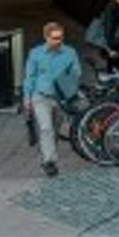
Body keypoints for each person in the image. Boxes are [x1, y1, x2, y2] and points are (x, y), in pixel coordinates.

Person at [22, 21, 81, 177]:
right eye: (54, 38)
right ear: (46, 37)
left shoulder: (70, 53)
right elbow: (29, 77)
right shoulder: (35, 53)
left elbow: (76, 73)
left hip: (61, 98)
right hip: (40, 96)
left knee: (55, 130)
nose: (58, 41)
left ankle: (50, 155)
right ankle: (49, 161)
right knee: (45, 128)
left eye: (61, 38)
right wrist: (27, 98)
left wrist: (67, 81)